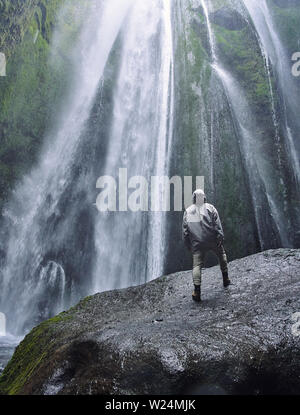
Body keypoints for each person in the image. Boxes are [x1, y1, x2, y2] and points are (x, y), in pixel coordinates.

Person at [182, 189, 231, 302]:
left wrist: (188, 245)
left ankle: (197, 291)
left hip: (197, 243)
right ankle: (226, 278)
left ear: (194, 198)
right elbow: (217, 224)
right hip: (212, 239)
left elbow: (185, 231)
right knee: (221, 254)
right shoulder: (210, 208)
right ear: (204, 198)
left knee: (197, 266)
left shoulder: (188, 211)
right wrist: (220, 236)